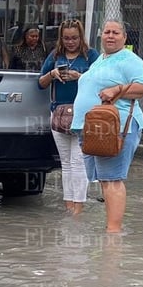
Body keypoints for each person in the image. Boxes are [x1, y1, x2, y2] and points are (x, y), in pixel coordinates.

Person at [70, 19, 143, 233]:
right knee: (105, 180)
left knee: (112, 179)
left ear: (124, 37)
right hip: (91, 128)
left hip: (114, 127)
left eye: (116, 32)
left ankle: (114, 234)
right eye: (107, 32)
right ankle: (110, 231)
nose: (110, 36)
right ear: (101, 35)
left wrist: (118, 90)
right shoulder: (101, 59)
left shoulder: (129, 59)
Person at [38, 19, 99, 214]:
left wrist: (79, 76)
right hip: (59, 113)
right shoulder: (55, 55)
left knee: (79, 161)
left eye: (74, 38)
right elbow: (40, 82)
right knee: (66, 162)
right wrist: (53, 74)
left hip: (84, 115)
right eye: (66, 38)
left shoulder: (91, 56)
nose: (70, 42)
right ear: (61, 39)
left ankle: (78, 207)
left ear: (81, 37)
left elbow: (101, 81)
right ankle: (69, 205)